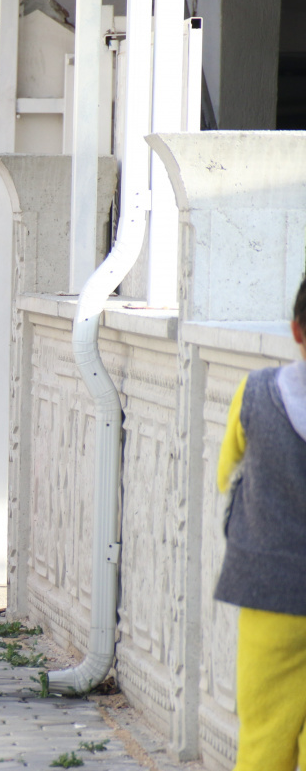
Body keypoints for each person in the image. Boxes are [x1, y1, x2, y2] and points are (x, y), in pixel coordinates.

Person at [215, 276, 306, 771]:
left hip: (270, 595)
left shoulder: (256, 392)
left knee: (266, 733)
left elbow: (225, 472)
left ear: (296, 330)